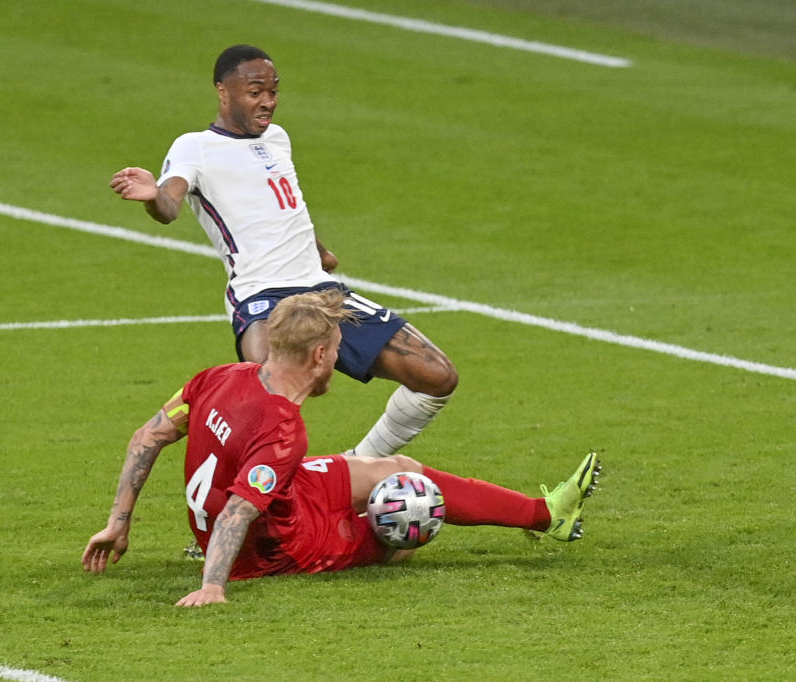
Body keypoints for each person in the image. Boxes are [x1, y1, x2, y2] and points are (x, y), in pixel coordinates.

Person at [81, 290, 601, 607]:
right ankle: (387, 540)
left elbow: (147, 436)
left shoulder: (220, 377)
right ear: (321, 354)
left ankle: (545, 514)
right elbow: (240, 511)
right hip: (279, 548)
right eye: (336, 351)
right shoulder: (283, 432)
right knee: (402, 521)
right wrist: (215, 584)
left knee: (397, 469)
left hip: (288, 491)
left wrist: (118, 522)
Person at [109, 44, 457, 459]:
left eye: (273, 92)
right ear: (223, 91)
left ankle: (354, 467)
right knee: (269, 401)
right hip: (261, 296)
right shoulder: (194, 147)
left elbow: (284, 207)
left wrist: (320, 251)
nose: (268, 102)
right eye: (255, 92)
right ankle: (253, 496)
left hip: (323, 292)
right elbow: (168, 207)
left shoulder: (277, 139)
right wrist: (152, 196)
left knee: (438, 376)